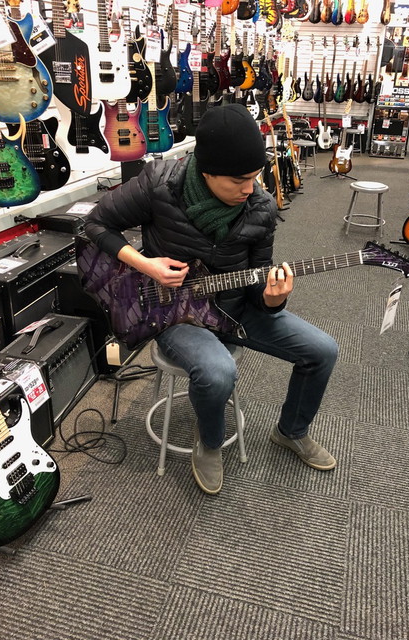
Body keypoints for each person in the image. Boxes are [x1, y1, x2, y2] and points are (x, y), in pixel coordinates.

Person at [84, 103, 338, 495]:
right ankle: (209, 442)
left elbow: (258, 282)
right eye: (239, 180)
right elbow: (96, 222)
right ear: (206, 171)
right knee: (218, 372)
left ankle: (292, 431)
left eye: (254, 177)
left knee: (323, 350)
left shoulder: (261, 207)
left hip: (236, 308)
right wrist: (147, 265)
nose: (250, 188)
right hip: (176, 312)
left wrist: (274, 299)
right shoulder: (159, 183)